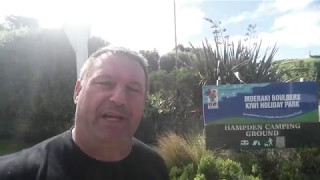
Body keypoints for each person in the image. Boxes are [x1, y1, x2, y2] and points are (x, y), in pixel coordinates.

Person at [0, 46, 169, 180]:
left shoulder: (155, 168)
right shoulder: (17, 173)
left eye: (133, 89)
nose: (119, 99)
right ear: (78, 91)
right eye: (105, 83)